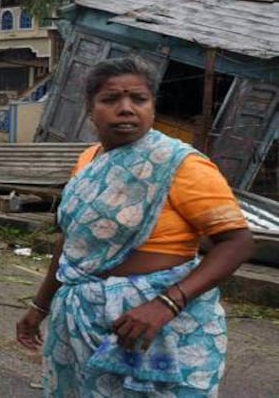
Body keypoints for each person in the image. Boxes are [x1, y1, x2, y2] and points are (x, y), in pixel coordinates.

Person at [16, 57, 254, 396]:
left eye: (138, 99)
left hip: (157, 324)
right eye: (111, 99)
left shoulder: (180, 164)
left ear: (152, 107)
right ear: (90, 109)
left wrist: (166, 304)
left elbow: (237, 242)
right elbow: (71, 242)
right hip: (83, 318)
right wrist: (40, 306)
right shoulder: (88, 161)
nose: (126, 108)